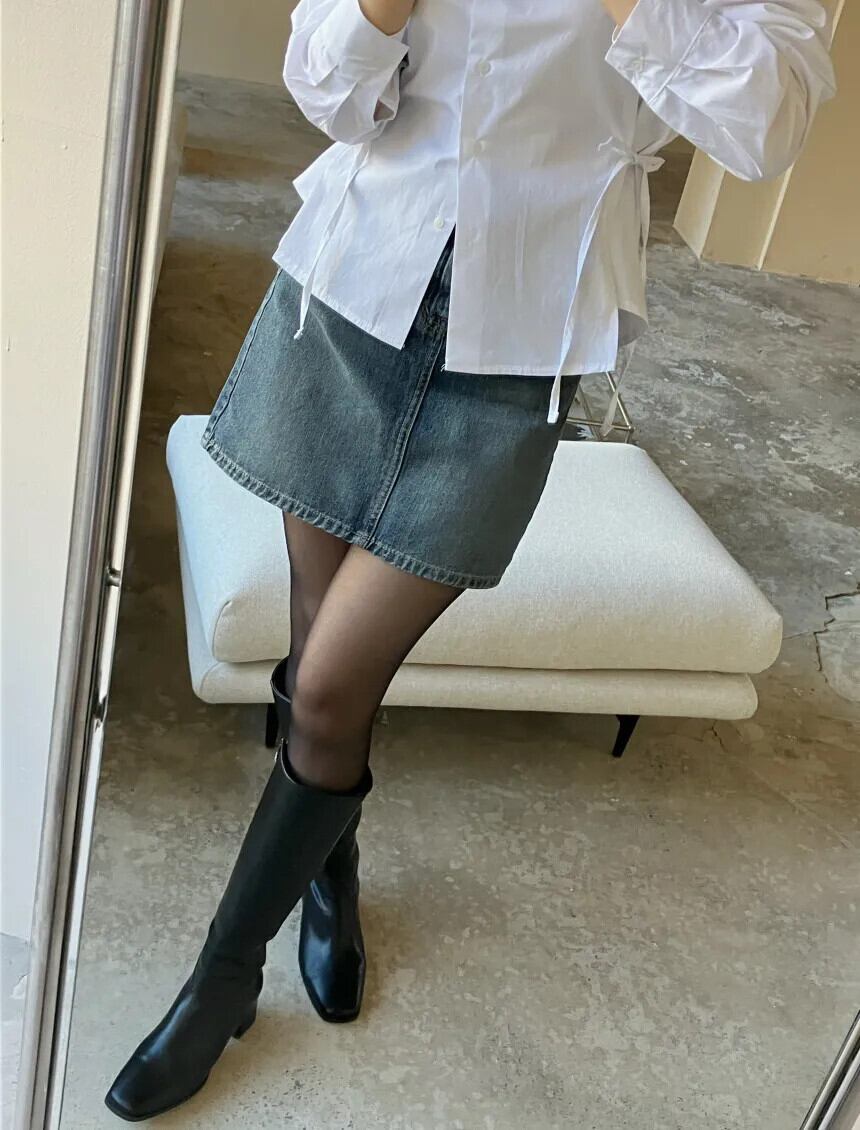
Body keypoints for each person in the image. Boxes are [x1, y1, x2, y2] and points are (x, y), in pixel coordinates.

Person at [106, 0, 834, 1119]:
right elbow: (328, 93)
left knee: (333, 682)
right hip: (352, 287)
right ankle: (327, 875)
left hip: (523, 338)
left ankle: (221, 979)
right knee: (316, 652)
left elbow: (767, 123)